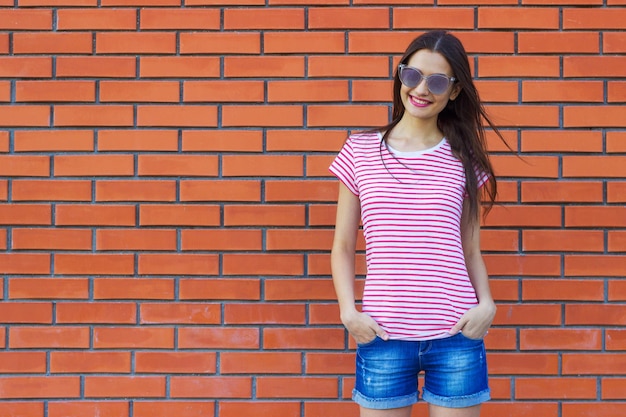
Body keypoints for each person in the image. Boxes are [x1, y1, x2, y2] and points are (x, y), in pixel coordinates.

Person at [329, 30, 504, 417]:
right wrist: (348, 312)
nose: (422, 89)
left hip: (457, 335)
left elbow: (470, 248)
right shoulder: (360, 150)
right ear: (400, 75)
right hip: (382, 335)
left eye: (438, 81)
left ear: (454, 91)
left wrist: (487, 304)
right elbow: (342, 245)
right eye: (413, 75)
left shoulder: (464, 160)